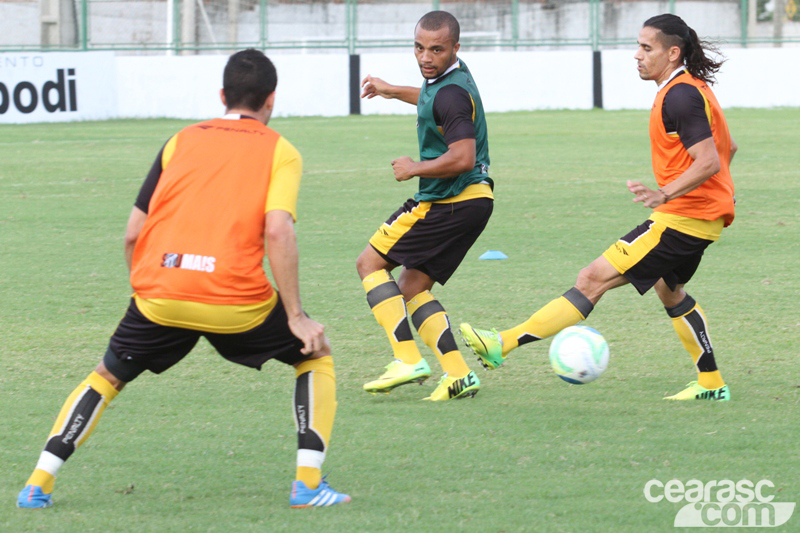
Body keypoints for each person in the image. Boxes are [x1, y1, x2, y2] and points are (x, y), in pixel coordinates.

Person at [17, 49, 350, 510]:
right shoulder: (281, 150)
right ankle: (308, 485)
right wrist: (296, 315)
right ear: (271, 100)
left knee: (107, 376)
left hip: (161, 292)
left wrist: (147, 288)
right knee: (316, 355)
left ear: (221, 95)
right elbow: (278, 229)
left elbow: (133, 232)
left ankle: (37, 483)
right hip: (236, 300)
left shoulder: (179, 140)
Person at [461, 14, 737, 401]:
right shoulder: (696, 89)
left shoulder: (680, 95)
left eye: (646, 48)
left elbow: (708, 160)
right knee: (670, 291)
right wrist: (721, 192)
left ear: (673, 53)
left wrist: (665, 193)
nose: (637, 55)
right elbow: (729, 149)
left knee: (592, 279)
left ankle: (501, 344)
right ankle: (711, 384)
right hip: (701, 218)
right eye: (638, 46)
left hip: (682, 219)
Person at [357, 11, 493, 401]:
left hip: (448, 199)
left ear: (455, 48)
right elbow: (432, 101)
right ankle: (457, 374)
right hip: (474, 202)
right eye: (419, 47)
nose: (425, 57)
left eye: (437, 49)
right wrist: (391, 90)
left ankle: (407, 359)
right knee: (413, 287)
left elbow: (463, 156)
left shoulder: (449, 92)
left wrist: (415, 167)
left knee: (369, 263)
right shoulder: (451, 80)